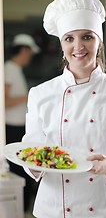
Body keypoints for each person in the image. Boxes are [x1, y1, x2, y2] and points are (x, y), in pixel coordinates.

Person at [22, 0, 106, 218]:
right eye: (69, 38)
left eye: (87, 37)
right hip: (56, 209)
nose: (78, 46)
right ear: (61, 44)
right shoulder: (40, 94)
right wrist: (31, 164)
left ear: (99, 41)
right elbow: (31, 150)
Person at [4, 33, 40, 210]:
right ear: (24, 51)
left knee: (23, 170)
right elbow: (4, 101)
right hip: (11, 129)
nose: (30, 57)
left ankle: (24, 209)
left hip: (18, 128)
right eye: (30, 53)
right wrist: (28, 96)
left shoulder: (15, 70)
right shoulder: (9, 68)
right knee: (19, 171)